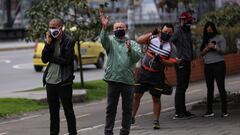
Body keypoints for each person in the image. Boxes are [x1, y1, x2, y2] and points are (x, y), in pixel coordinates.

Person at [99, 10, 142, 135]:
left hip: (128, 81)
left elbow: (137, 57)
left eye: (121, 27)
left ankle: (125, 131)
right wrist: (104, 27)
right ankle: (108, 132)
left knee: (127, 110)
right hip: (113, 80)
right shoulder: (110, 43)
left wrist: (130, 51)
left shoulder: (132, 43)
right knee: (110, 109)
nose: (119, 29)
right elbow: (103, 39)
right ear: (113, 30)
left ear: (126, 29)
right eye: (116, 28)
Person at [132, 23, 180, 129]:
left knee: (156, 98)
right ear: (161, 30)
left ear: (172, 34)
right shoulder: (152, 38)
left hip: (157, 75)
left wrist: (162, 61)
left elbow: (172, 62)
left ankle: (156, 121)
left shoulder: (171, 47)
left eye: (169, 33)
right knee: (136, 96)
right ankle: (131, 117)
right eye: (165, 31)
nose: (166, 34)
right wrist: (150, 33)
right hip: (143, 72)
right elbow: (139, 40)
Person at [42, 18, 77, 135]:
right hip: (50, 81)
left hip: (64, 81)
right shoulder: (49, 40)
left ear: (61, 28)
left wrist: (51, 58)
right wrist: (48, 44)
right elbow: (43, 59)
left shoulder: (69, 40)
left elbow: (66, 61)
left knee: (68, 111)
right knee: (53, 113)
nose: (52, 29)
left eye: (55, 27)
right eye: (50, 27)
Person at [200, 21, 228, 117]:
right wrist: (206, 49)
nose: (209, 32)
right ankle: (209, 111)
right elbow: (200, 53)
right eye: (207, 30)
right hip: (207, 66)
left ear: (214, 29)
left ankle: (224, 111)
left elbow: (224, 51)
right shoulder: (204, 39)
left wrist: (215, 47)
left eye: (211, 30)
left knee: (221, 87)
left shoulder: (220, 37)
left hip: (219, 64)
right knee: (209, 88)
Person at [171, 12, 196, 119]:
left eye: (191, 21)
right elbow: (168, 43)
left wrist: (193, 58)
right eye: (188, 21)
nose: (190, 23)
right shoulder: (177, 31)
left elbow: (190, 46)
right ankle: (178, 112)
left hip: (187, 61)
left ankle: (183, 110)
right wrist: (175, 57)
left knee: (184, 86)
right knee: (180, 86)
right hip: (180, 62)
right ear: (182, 20)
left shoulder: (187, 31)